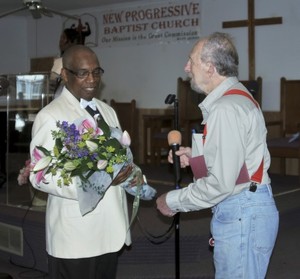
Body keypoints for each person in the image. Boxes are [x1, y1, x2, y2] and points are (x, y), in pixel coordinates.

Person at [156, 32, 279, 279]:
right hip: (247, 207)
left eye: (191, 61)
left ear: (210, 68)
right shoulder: (238, 97)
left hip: (243, 210)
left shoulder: (226, 108)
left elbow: (222, 183)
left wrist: (173, 201)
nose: (186, 67)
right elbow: (239, 158)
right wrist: (194, 156)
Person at [29, 45, 137, 279]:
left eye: (96, 72)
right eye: (83, 73)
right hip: (76, 235)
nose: (92, 79)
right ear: (65, 75)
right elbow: (40, 175)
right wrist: (100, 182)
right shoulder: (50, 116)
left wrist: (129, 174)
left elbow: (116, 158)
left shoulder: (107, 111)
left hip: (110, 228)